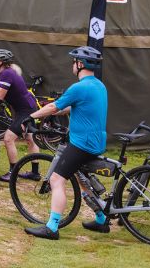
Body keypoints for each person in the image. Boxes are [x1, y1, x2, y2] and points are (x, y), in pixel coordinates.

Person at [23, 46, 108, 240]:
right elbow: (72, 107)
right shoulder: (98, 85)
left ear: (80, 64)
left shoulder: (79, 87)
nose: (72, 65)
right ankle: (101, 218)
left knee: (56, 180)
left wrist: (31, 116)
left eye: (74, 62)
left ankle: (52, 227)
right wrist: (56, 111)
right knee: (82, 179)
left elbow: (53, 105)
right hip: (96, 141)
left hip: (82, 144)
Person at [0, 48, 41, 182]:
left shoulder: (7, 74)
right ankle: (35, 173)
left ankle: (12, 173)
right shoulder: (8, 72)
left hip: (25, 110)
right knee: (30, 139)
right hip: (28, 107)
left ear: (0, 62)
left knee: (8, 139)